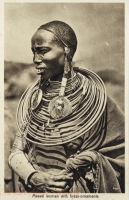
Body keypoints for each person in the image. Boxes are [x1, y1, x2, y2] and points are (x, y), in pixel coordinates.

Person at [9, 20, 124, 193]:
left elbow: (122, 153)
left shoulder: (97, 101)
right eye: (33, 52)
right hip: (33, 190)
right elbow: (16, 151)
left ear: (67, 51)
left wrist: (93, 158)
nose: (35, 60)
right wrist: (33, 176)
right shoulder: (34, 100)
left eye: (42, 51)